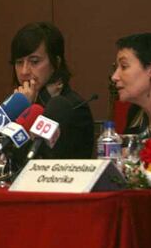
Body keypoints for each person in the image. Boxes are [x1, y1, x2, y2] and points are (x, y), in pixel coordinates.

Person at [10, 21, 94, 160]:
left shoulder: (73, 107)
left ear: (56, 62)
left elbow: (37, 160)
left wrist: (28, 111)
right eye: (19, 62)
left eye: (34, 61)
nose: (24, 71)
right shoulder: (17, 102)